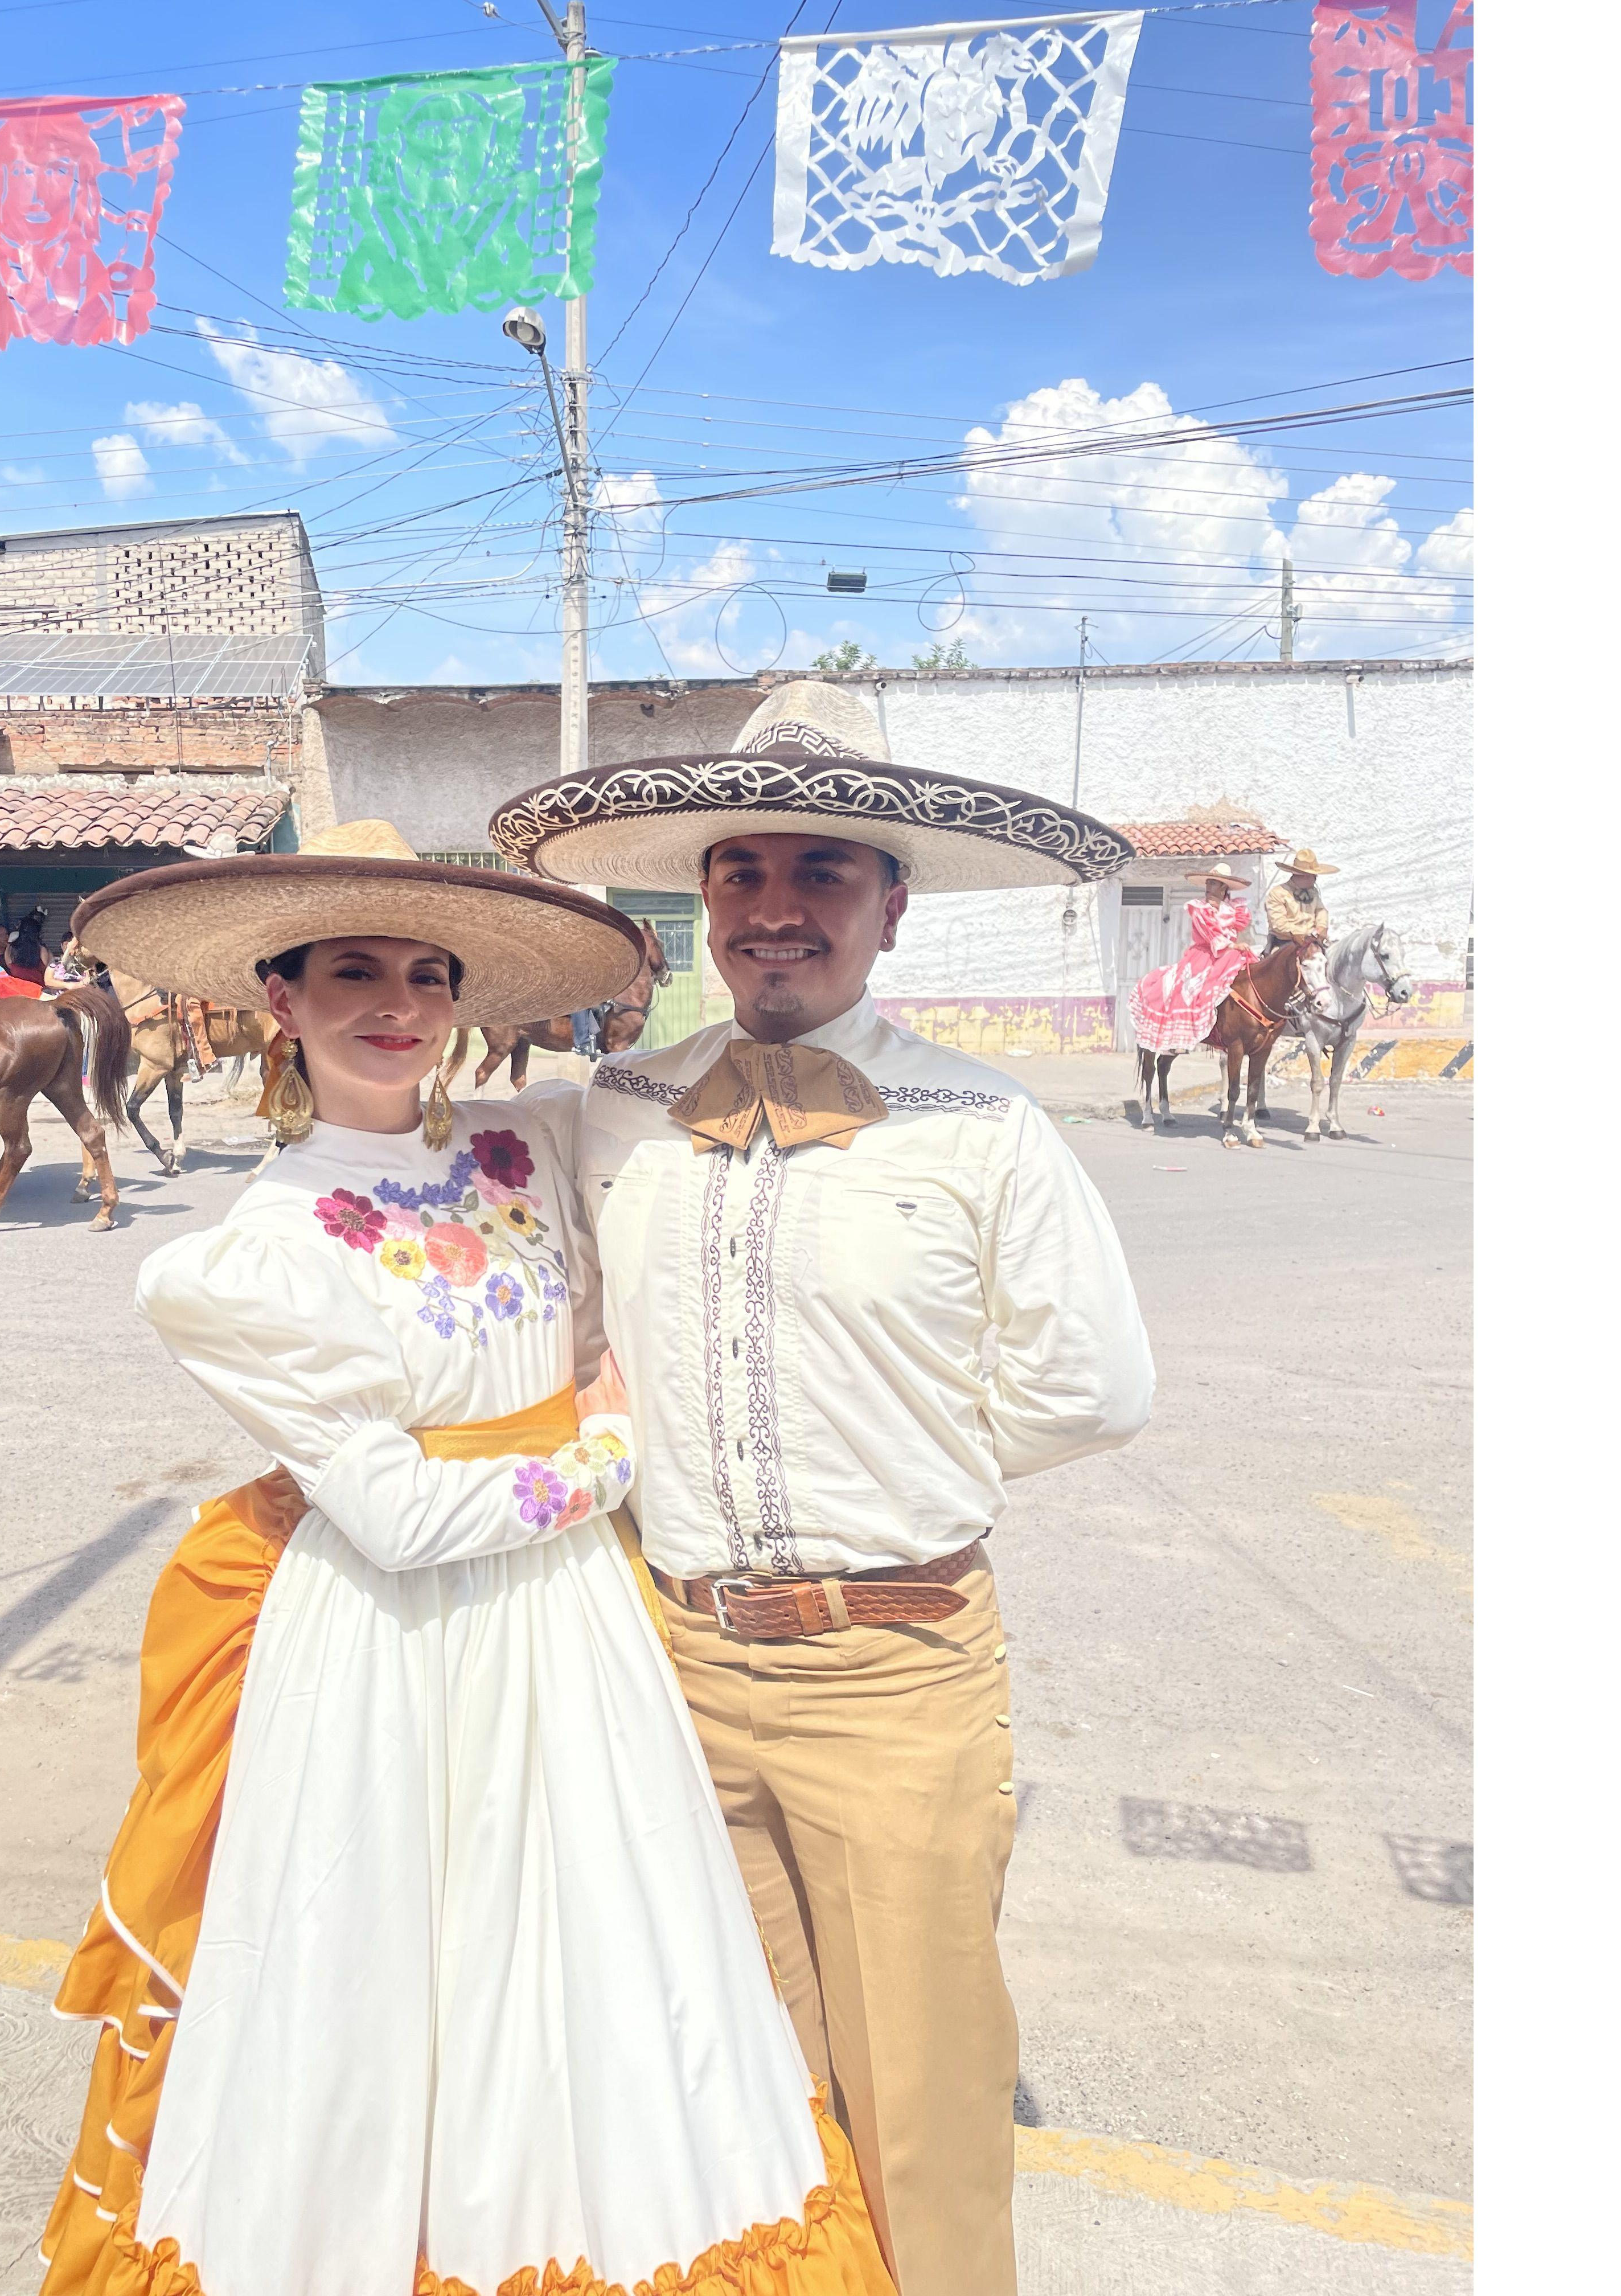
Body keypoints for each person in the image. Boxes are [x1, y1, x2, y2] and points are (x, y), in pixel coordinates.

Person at [37, 819, 894, 2296]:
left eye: (427, 975)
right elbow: (400, 1517)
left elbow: (709, 1152)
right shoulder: (257, 1250)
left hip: (571, 1633)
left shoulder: (535, 1138)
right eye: (353, 970)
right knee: (376, 1979)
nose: (396, 1004)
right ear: (281, 998)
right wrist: (612, 1455)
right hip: (389, 1650)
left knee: (609, 1976)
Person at [491, 679, 1157, 2296]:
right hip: (671, 1662)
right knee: (727, 2072)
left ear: (892, 908)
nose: (778, 910)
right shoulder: (616, 1111)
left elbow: (1094, 1390)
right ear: (705, 901)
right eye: (745, 874)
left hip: (896, 1671)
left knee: (922, 2098)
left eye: (824, 875)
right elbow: (529, 1295)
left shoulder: (985, 1129)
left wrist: (893, 1456)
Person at [1127, 866, 1257, 1055]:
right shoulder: (1199, 908)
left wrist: (1236, 946)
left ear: (1223, 888)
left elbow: (1237, 929)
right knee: (1187, 987)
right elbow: (1211, 936)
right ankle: (1178, 1038)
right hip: (1204, 955)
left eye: (1213, 883)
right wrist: (1233, 946)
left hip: (1227, 954)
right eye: (1208, 883)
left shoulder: (1233, 910)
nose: (1208, 887)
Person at [1265, 845, 1337, 949]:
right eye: (1314, 876)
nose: (1315, 879)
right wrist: (1308, 933)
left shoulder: (1313, 892)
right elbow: (1279, 925)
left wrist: (1322, 927)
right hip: (1285, 945)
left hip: (1313, 943)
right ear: (1305, 875)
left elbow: (1321, 910)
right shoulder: (1278, 893)